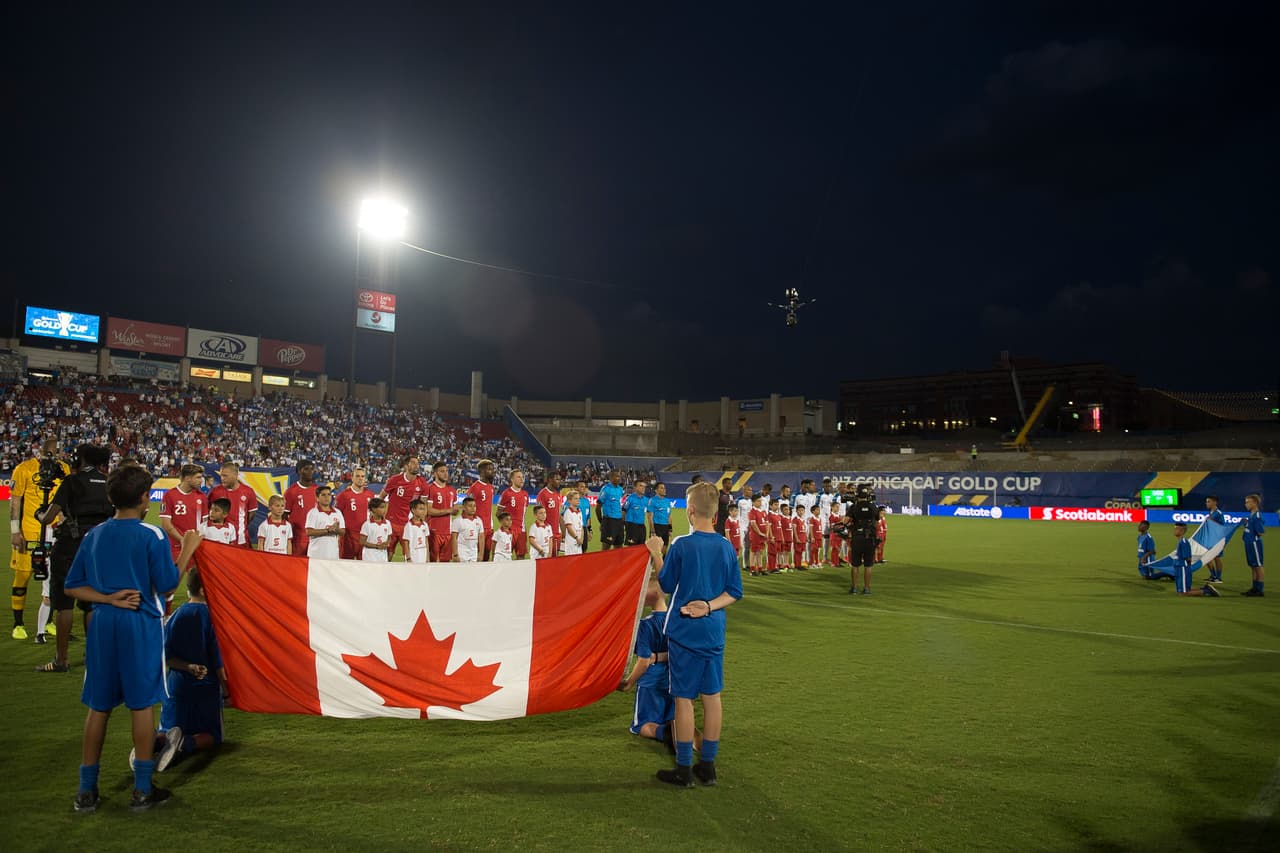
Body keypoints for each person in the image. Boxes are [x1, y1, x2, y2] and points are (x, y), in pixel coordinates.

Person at [65, 465, 201, 813]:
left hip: (103, 624)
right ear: (145, 498)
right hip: (140, 624)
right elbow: (169, 584)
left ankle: (86, 790)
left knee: (98, 706)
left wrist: (108, 598)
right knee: (142, 704)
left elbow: (72, 586)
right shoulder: (150, 535)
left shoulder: (94, 534)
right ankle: (142, 788)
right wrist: (187, 548)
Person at [646, 481, 742, 787]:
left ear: (689, 511)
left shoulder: (683, 546)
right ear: (715, 514)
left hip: (685, 633)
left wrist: (656, 552)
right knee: (712, 697)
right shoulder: (726, 546)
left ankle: (685, 769)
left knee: (684, 699)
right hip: (714, 631)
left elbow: (666, 585)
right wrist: (709, 606)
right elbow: (734, 592)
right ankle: (708, 766)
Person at [35, 444, 113, 672]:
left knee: (64, 603)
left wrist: (39, 512)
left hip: (71, 544)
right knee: (91, 604)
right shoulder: (109, 482)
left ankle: (61, 660)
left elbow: (48, 518)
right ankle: (93, 656)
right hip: (99, 545)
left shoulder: (72, 482)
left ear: (81, 459)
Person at [154, 567, 228, 771]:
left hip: (176, 685)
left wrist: (188, 666)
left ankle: (154, 743)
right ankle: (184, 745)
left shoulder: (175, 616)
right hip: (204, 688)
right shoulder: (211, 618)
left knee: (168, 729)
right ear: (204, 590)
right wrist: (227, 691)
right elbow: (218, 662)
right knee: (212, 735)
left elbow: (166, 656)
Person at [10, 437, 70, 639]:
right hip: (29, 531)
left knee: (53, 579)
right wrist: (15, 531)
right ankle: (18, 624)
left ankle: (49, 621)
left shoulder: (63, 469)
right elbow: (15, 502)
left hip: (55, 532)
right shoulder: (24, 468)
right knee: (24, 575)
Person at [618, 582, 676, 752]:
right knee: (673, 718)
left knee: (642, 725)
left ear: (656, 593)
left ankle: (664, 734)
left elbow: (644, 660)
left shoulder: (645, 625)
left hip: (651, 681)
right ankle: (686, 736)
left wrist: (629, 683)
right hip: (674, 678)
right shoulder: (676, 619)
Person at [159, 463, 207, 569]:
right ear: (188, 478)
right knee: (173, 581)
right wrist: (182, 540)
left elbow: (205, 524)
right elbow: (166, 525)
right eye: (198, 477)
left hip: (196, 547)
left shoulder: (202, 497)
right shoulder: (169, 495)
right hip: (175, 548)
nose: (201, 480)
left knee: (196, 582)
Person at [378, 455, 425, 559]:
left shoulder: (422, 483)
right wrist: (380, 516)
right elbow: (381, 497)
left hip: (408, 525)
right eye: (413, 463)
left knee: (409, 556)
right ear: (406, 466)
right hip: (391, 523)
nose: (417, 465)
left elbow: (423, 505)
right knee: (387, 556)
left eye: (418, 463)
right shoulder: (395, 480)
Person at [208, 462, 255, 548]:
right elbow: (209, 513)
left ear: (235, 475)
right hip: (220, 540)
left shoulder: (248, 491)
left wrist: (241, 526)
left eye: (225, 476)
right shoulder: (215, 492)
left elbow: (251, 514)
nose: (222, 478)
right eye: (221, 475)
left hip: (241, 540)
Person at [1172, 522, 1220, 598]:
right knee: (1181, 591)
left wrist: (1186, 569)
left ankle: (1207, 591)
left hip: (1182, 568)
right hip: (1179, 568)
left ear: (1182, 531)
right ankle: (1205, 589)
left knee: (1183, 593)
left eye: (1176, 529)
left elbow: (1188, 558)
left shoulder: (1184, 542)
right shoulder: (1181, 541)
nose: (1174, 531)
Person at [424, 461, 459, 563]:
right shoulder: (430, 488)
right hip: (434, 531)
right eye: (442, 471)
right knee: (434, 562)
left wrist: (455, 510)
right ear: (435, 473)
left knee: (445, 563)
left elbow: (455, 509)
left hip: (448, 532)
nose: (445, 473)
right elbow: (429, 510)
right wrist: (449, 510)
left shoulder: (452, 490)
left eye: (447, 471)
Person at [282, 459, 319, 557]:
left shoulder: (318, 490)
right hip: (298, 538)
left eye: (312, 469)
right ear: (299, 471)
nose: (310, 471)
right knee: (296, 567)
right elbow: (285, 515)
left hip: (315, 538)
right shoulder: (291, 491)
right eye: (306, 469)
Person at [337, 466, 374, 559]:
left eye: (362, 476)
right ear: (352, 478)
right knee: (345, 565)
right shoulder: (344, 495)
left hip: (365, 535)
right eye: (357, 476)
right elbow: (337, 514)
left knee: (364, 566)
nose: (360, 478)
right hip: (348, 537)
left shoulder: (370, 494)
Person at [467, 459, 498, 560]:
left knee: (486, 555)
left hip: (490, 527)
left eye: (492, 469)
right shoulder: (475, 487)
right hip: (478, 528)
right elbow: (467, 508)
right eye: (489, 469)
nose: (492, 471)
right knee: (477, 556)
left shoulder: (491, 487)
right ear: (482, 471)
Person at [304, 485, 344, 559]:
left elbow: (343, 531)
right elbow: (309, 532)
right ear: (317, 498)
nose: (327, 497)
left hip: (333, 554)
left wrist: (336, 530)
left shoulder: (338, 512)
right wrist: (328, 530)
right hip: (316, 554)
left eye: (329, 494)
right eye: (323, 495)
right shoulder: (313, 512)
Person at [498, 471, 531, 559]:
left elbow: (523, 513)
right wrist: (505, 526)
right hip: (509, 531)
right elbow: (498, 513)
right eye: (518, 477)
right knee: (505, 556)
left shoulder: (525, 495)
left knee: (521, 557)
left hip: (521, 531)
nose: (522, 479)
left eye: (522, 477)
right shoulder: (506, 493)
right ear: (512, 479)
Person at [1241, 493, 1266, 597]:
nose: (1246, 504)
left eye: (1248, 502)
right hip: (1249, 543)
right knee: (1252, 565)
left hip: (1254, 543)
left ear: (1255, 503)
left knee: (1258, 565)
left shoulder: (1257, 516)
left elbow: (1260, 532)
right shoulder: (1251, 515)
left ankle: (1259, 589)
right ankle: (1254, 587)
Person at [536, 472, 565, 557]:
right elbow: (540, 515)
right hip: (546, 534)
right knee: (545, 559)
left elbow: (558, 514)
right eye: (557, 479)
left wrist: (564, 532)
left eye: (560, 479)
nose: (559, 481)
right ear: (550, 480)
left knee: (555, 559)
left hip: (557, 533)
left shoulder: (558, 494)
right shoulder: (543, 494)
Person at [597, 469, 626, 551]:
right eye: (616, 476)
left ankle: (616, 564)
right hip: (609, 521)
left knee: (619, 547)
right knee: (606, 547)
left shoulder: (620, 489)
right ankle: (603, 563)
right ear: (611, 477)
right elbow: (598, 507)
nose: (618, 478)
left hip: (619, 521)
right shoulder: (606, 489)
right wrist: (601, 522)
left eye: (619, 476)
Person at [451, 496, 485, 563]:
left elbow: (481, 538)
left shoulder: (478, 520)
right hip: (462, 553)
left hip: (474, 553)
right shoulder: (458, 521)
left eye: (474, 506)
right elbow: (454, 538)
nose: (473, 508)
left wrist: (481, 553)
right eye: (470, 506)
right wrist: (455, 554)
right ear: (463, 507)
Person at [1204, 496, 1226, 584]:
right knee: (1206, 556)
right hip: (1210, 538)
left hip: (1217, 538)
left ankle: (1218, 577)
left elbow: (1222, 526)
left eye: (1209, 501)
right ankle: (1213, 575)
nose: (1207, 503)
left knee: (1217, 557)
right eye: (1207, 502)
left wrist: (1211, 521)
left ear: (1214, 502)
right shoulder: (1211, 513)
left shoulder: (1218, 513)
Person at [404, 499, 432, 564]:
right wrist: (408, 558)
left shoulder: (425, 525)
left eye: (423, 509)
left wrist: (427, 557)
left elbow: (426, 541)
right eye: (420, 509)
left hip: (423, 555)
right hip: (413, 556)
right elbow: (406, 543)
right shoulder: (408, 526)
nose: (423, 511)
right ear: (413, 510)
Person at [623, 480, 649, 547]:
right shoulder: (630, 498)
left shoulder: (646, 500)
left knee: (641, 548)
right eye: (640, 486)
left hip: (642, 527)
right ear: (635, 488)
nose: (643, 488)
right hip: (631, 526)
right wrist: (624, 525)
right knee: (631, 549)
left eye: (644, 486)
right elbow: (623, 511)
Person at [747, 495, 769, 577]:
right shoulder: (752, 512)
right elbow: (753, 524)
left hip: (763, 535)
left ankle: (760, 569)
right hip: (755, 535)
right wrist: (759, 532)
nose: (760, 502)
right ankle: (752, 569)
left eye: (760, 501)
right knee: (753, 551)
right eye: (758, 501)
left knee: (760, 552)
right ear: (753, 502)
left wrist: (766, 533)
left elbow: (766, 523)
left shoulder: (763, 511)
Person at [648, 483, 673, 550]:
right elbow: (650, 517)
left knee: (665, 548)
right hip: (657, 527)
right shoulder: (652, 500)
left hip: (665, 527)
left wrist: (670, 529)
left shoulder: (667, 501)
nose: (664, 489)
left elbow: (669, 516)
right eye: (661, 488)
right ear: (656, 490)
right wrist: (652, 531)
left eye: (664, 488)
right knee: (655, 550)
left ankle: (663, 560)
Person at [736, 486, 754, 566]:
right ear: (744, 491)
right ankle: (734, 563)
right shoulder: (739, 500)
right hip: (741, 526)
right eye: (749, 490)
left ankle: (745, 564)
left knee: (748, 546)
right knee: (739, 545)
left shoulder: (751, 501)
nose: (751, 492)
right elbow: (736, 513)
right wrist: (737, 525)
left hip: (749, 526)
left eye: (751, 490)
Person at [576, 482, 593, 551]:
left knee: (584, 550)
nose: (584, 488)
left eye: (585, 487)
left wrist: (589, 530)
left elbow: (588, 517)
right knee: (574, 552)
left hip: (584, 529)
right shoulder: (571, 500)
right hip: (574, 529)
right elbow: (564, 515)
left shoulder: (586, 501)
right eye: (581, 487)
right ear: (577, 488)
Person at [777, 502, 794, 571]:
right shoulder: (780, 518)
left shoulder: (790, 518)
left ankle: (786, 563)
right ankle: (780, 564)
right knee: (781, 551)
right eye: (785, 510)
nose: (787, 511)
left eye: (788, 509)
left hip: (789, 537)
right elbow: (780, 528)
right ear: (782, 511)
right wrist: (781, 537)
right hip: (783, 537)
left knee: (787, 551)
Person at [723, 504, 741, 568]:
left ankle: (733, 569)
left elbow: (739, 532)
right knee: (731, 557)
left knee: (737, 556)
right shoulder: (728, 521)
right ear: (730, 512)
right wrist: (729, 543)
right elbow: (727, 533)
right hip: (732, 542)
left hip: (737, 542)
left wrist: (740, 542)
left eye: (737, 511)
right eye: (734, 511)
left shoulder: (737, 520)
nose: (736, 513)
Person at [793, 503, 809, 570]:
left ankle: (799, 564)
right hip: (798, 538)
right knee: (797, 552)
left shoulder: (803, 519)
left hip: (803, 538)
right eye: (799, 510)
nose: (801, 512)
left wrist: (806, 537)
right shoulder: (795, 519)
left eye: (802, 510)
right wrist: (796, 538)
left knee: (801, 552)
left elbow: (804, 529)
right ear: (796, 511)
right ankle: (797, 565)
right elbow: (794, 530)